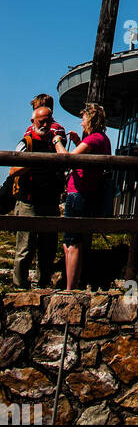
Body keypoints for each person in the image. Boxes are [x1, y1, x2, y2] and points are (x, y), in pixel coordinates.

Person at [10, 96, 67, 288]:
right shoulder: (27, 142)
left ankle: (43, 282)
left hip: (49, 199)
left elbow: (65, 160)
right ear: (33, 121)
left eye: (47, 121)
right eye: (41, 121)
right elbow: (13, 169)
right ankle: (19, 284)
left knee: (48, 246)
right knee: (25, 245)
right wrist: (33, 161)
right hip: (29, 200)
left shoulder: (54, 143)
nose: (44, 124)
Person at [59, 103, 111, 290]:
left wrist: (58, 142)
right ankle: (75, 282)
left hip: (78, 192)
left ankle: (70, 287)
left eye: (83, 119)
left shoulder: (93, 139)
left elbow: (67, 159)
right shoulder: (103, 139)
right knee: (79, 240)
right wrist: (77, 142)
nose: (81, 123)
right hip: (91, 192)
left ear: (89, 120)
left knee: (71, 242)